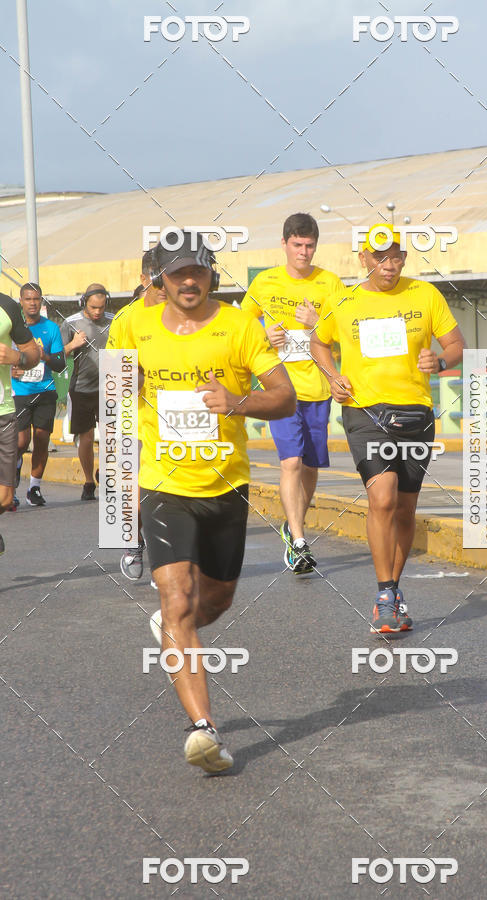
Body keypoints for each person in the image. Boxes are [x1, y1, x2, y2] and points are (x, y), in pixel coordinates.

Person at [124, 233, 295, 771]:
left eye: (197, 271)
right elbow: (116, 398)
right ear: (159, 279)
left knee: (214, 602)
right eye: (177, 274)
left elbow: (285, 396)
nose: (188, 281)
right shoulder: (132, 326)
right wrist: (122, 479)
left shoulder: (240, 325)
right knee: (176, 600)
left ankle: (179, 629)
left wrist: (238, 402)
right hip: (163, 484)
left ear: (210, 274)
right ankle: (205, 731)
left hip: (225, 484)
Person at [311, 224, 466, 634]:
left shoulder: (425, 295)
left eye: (396, 256)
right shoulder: (342, 299)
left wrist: (442, 362)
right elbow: (318, 341)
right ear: (363, 259)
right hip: (364, 411)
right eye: (380, 257)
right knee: (382, 498)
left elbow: (456, 344)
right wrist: (331, 376)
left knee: (405, 507)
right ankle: (383, 594)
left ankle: (393, 589)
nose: (389, 264)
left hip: (416, 412)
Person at [242, 213, 344, 574]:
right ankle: (299, 540)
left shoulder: (330, 282)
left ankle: (292, 522)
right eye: (297, 245)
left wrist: (319, 323)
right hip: (281, 388)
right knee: (291, 463)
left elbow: (346, 329)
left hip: (317, 387)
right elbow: (242, 323)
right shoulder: (266, 281)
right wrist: (262, 335)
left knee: (311, 466)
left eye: (310, 245)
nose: (304, 251)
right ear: (284, 244)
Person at [106, 250, 166, 581]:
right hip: (135, 414)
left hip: (178, 417)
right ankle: (133, 541)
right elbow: (116, 376)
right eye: (157, 277)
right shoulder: (126, 319)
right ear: (144, 278)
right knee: (137, 491)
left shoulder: (185, 312)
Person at [11, 282, 65, 507]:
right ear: (21, 302)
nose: (33, 303)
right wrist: (12, 367)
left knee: (42, 439)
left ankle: (34, 487)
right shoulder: (12, 328)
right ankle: (10, 481)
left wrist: (45, 357)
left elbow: (61, 364)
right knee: (21, 441)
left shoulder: (51, 328)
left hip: (45, 390)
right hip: (20, 392)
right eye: (28, 299)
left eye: (36, 299)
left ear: (41, 301)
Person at [60, 284, 113, 500]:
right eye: (93, 307)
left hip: (109, 388)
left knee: (111, 437)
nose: (98, 312)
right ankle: (89, 481)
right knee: (87, 437)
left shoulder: (114, 320)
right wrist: (73, 344)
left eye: (101, 307)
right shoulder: (71, 323)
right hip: (81, 388)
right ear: (84, 303)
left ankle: (108, 473)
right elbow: (57, 355)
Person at [0, 292, 41, 552]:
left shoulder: (7, 306)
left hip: (2, 411)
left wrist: (16, 358)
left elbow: (33, 354)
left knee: (4, 498)